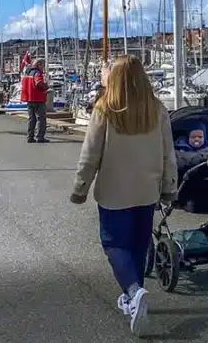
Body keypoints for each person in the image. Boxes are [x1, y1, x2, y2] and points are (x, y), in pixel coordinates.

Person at [71, 55, 177, 337]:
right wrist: (170, 186)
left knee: (114, 245)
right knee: (139, 247)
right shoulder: (156, 109)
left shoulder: (105, 110)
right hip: (147, 190)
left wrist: (80, 188)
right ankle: (135, 297)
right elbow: (169, 154)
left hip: (114, 191)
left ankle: (133, 291)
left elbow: (89, 156)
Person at [21, 58, 50, 144]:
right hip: (38, 98)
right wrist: (46, 87)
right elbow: (38, 82)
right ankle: (40, 137)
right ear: (39, 65)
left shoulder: (28, 73)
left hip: (29, 99)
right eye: (43, 65)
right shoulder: (37, 73)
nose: (43, 67)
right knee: (41, 118)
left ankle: (30, 137)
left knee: (31, 119)